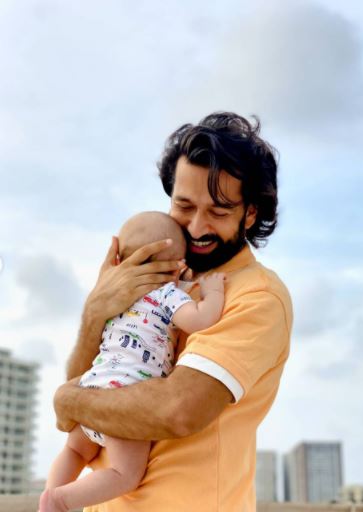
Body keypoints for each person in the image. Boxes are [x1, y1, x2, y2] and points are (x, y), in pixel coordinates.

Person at [52, 112, 293, 512]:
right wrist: (96, 311)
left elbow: (177, 410)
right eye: (184, 205)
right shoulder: (151, 280)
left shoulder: (257, 297)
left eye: (218, 211)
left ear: (250, 213)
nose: (196, 227)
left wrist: (69, 400)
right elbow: (88, 383)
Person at [40, 212, 226, 512]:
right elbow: (199, 321)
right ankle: (61, 500)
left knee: (75, 450)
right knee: (125, 474)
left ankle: (50, 493)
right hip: (125, 395)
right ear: (179, 263)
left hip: (92, 384)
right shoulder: (168, 294)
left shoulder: (118, 299)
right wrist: (213, 293)